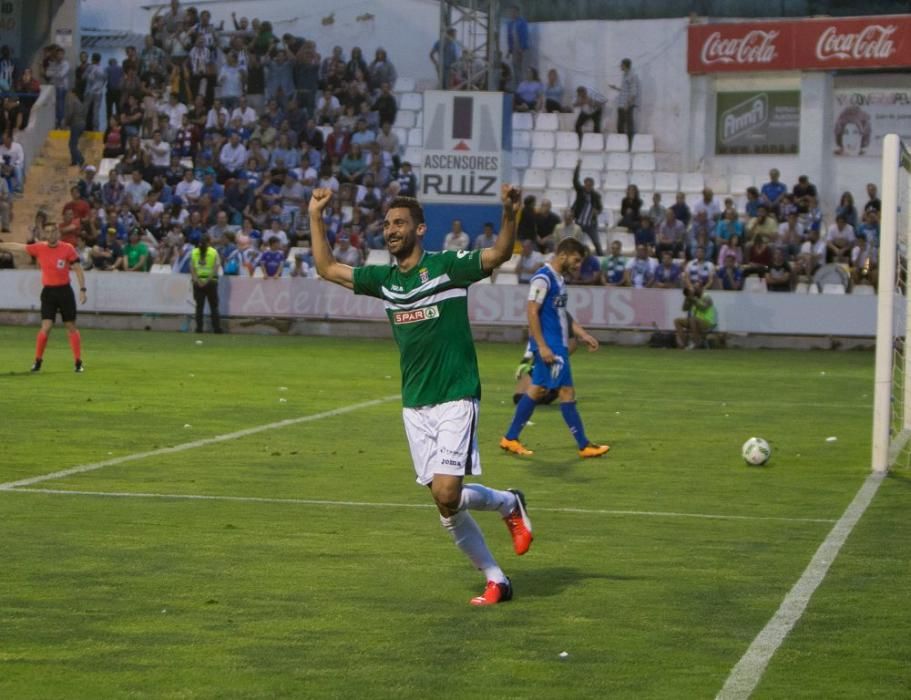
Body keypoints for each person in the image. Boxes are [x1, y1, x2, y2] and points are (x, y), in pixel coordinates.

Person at [307, 184, 533, 607]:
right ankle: (496, 579)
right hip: (415, 404)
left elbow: (498, 255)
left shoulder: (448, 266)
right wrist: (315, 214)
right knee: (444, 505)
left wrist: (510, 214)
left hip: (455, 394)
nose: (391, 230)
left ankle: (507, 503)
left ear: (420, 229)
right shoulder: (384, 280)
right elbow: (327, 268)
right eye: (388, 224)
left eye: (400, 223)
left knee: (447, 493)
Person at [500, 237, 609, 458]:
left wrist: (582, 334)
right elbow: (531, 311)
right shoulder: (543, 278)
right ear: (563, 255)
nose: (578, 265)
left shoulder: (558, 279)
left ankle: (510, 438)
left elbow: (562, 314)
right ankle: (584, 445)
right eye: (576, 260)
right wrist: (541, 346)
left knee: (536, 389)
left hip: (555, 344)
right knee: (566, 392)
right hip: (551, 346)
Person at [0, 223, 87, 372]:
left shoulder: (68, 248)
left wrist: (83, 289)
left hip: (65, 291)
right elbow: (18, 247)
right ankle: (38, 361)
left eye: (53, 231)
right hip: (48, 292)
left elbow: (78, 269)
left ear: (58, 233)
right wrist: (3, 245)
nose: (51, 234)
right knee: (46, 327)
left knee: (71, 326)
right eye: (48, 232)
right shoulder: (39, 247)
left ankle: (78, 362)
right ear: (45, 234)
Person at [190, 233, 223, 333]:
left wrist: (197, 281)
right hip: (211, 282)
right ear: (209, 242)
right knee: (214, 306)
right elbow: (215, 268)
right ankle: (216, 328)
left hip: (198, 282)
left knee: (199, 306)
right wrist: (207, 281)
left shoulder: (194, 252)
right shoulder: (214, 252)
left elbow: (192, 268)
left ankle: (199, 328)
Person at [571, 160, 603, 255]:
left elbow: (600, 208)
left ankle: (601, 257)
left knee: (596, 242)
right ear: (584, 184)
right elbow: (575, 180)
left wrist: (597, 211)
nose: (588, 186)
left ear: (592, 186)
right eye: (586, 184)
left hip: (590, 224)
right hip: (579, 223)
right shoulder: (580, 191)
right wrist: (578, 167)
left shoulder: (596, 196)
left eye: (590, 185)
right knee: (575, 242)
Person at [674, 282, 716, 350]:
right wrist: (687, 298)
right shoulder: (694, 298)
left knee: (692, 319)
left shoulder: (707, 297)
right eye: (694, 288)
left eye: (696, 288)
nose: (694, 290)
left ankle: (696, 343)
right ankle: (684, 344)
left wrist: (693, 299)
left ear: (701, 288)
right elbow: (684, 309)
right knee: (677, 321)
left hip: (707, 322)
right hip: (694, 321)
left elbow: (703, 308)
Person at [608, 58, 639, 147]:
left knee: (629, 125)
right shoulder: (624, 75)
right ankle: (621, 144)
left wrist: (627, 104)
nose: (620, 67)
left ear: (625, 65)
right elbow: (625, 90)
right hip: (621, 104)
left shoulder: (632, 76)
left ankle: (629, 146)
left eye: (621, 65)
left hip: (627, 105)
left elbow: (633, 93)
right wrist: (615, 88)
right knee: (620, 124)